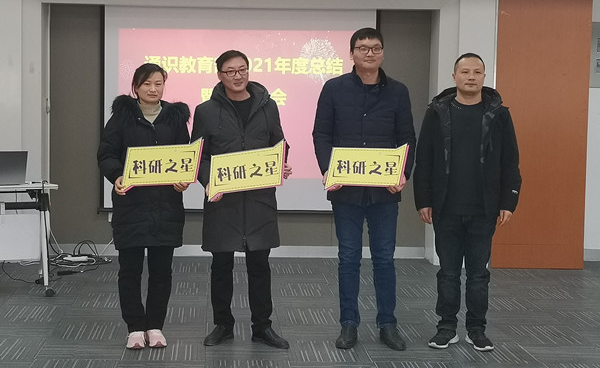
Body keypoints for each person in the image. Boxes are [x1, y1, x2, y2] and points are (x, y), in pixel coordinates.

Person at [312, 28, 416, 351]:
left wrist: (403, 173)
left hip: (385, 191)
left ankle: (388, 324)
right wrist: (328, 169)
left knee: (384, 258)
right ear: (352, 53)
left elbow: (407, 138)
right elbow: (321, 134)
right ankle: (349, 324)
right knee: (348, 258)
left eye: (375, 48)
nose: (369, 53)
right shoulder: (334, 89)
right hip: (346, 191)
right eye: (363, 48)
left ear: (383, 53)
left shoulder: (398, 91)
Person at [413, 53, 521, 352]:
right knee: (448, 273)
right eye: (465, 72)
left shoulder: (499, 114)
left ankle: (476, 329)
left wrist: (508, 201)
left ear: (484, 77)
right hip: (445, 207)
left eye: (477, 72)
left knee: (478, 275)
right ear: (454, 76)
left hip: (484, 209)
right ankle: (446, 327)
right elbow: (425, 158)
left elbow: (510, 160)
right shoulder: (437, 112)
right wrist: (423, 199)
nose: (471, 77)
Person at [191, 50, 291, 349]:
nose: (238, 76)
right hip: (223, 201)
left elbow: (279, 142)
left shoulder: (268, 106)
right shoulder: (206, 110)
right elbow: (199, 156)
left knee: (260, 265)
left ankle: (262, 326)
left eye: (242, 69)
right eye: (231, 71)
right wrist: (208, 182)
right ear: (220, 75)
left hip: (259, 199)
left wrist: (281, 162)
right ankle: (223, 325)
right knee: (221, 265)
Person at [98, 63, 190, 349]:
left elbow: (185, 156)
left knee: (162, 271)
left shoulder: (175, 118)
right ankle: (135, 328)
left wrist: (184, 180)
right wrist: (117, 175)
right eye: (147, 83)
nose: (153, 89)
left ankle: (155, 326)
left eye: (158, 83)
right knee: (130, 270)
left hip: (166, 206)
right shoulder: (122, 117)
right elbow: (106, 154)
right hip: (132, 205)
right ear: (136, 87)